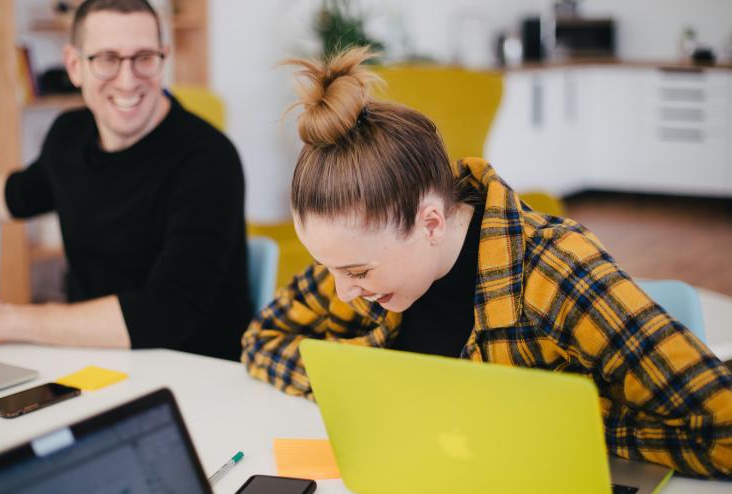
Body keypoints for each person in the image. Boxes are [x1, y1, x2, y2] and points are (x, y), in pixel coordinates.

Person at [241, 46, 732, 476]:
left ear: (430, 223)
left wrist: (568, 422)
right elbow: (261, 341)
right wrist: (369, 391)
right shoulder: (360, 260)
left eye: (357, 272)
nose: (342, 290)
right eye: (329, 267)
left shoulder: (556, 271)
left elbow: (723, 429)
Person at [0, 0, 251, 360]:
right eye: (107, 59)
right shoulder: (69, 135)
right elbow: (19, 192)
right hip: (90, 361)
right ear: (75, 66)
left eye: (144, 57)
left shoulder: (209, 159)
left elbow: (167, 312)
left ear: (164, 57)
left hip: (196, 377)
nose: (127, 81)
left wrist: (4, 319)